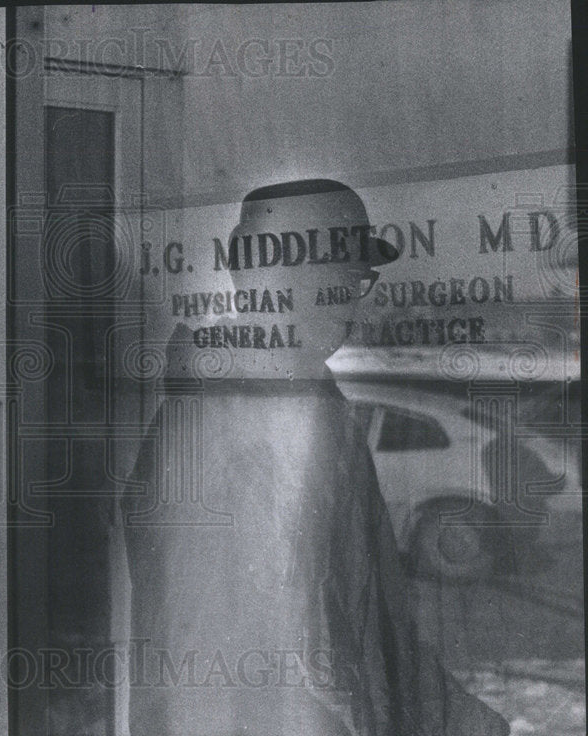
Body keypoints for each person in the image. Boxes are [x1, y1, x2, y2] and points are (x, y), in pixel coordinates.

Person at [121, 180, 510, 735]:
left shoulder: (316, 405)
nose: (351, 301)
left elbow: (372, 619)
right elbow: (234, 661)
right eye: (337, 281)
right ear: (268, 281)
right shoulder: (221, 421)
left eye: (356, 281)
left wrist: (464, 721)